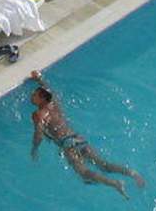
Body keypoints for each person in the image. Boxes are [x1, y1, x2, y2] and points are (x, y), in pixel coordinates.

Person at [28, 70, 144, 198]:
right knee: (104, 165)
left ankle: (114, 183)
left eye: (34, 94)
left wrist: (34, 149)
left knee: (83, 173)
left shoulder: (38, 114)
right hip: (78, 139)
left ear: (42, 98)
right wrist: (39, 78)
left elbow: (38, 134)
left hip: (67, 145)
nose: (31, 95)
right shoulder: (53, 103)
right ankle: (133, 173)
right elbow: (48, 90)